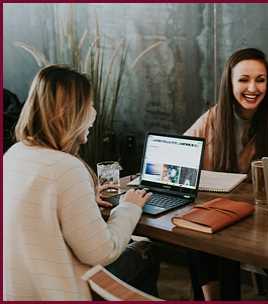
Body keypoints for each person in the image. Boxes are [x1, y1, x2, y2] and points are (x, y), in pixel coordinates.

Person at [3, 65, 159, 300]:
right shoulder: (66, 167)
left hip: (19, 291)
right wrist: (129, 206)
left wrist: (84, 197)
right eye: (89, 105)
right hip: (60, 292)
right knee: (145, 250)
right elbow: (101, 253)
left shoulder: (14, 154)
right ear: (70, 111)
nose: (94, 113)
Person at [184, 48, 268, 300]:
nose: (253, 88)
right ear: (229, 83)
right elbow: (183, 151)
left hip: (261, 223)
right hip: (217, 214)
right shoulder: (215, 116)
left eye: (260, 80)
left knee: (220, 241)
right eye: (243, 79)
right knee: (195, 233)